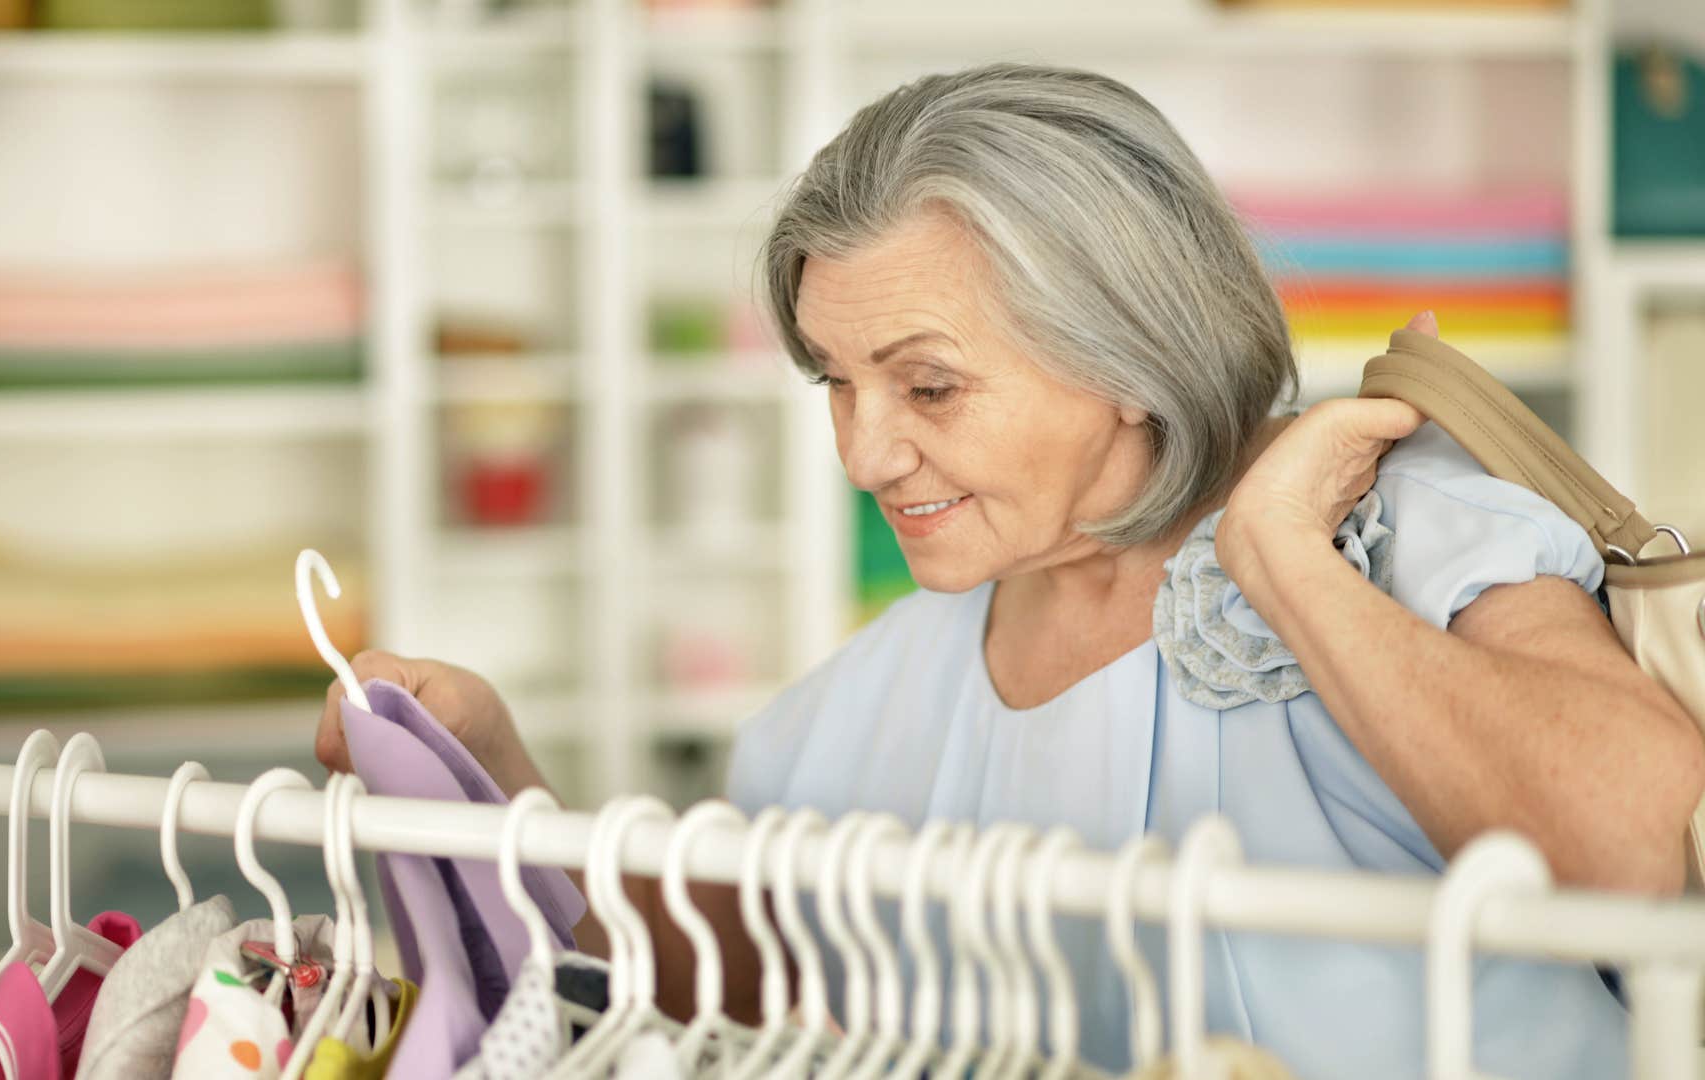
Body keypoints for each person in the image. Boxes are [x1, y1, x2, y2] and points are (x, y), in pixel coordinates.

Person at [314, 63, 1703, 1078]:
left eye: (927, 386)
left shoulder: (1413, 533)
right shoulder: (872, 698)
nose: (864, 454)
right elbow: (742, 985)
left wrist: (1286, 563)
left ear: (1128, 359)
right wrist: (500, 781)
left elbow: (1637, 854)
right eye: (837, 384)